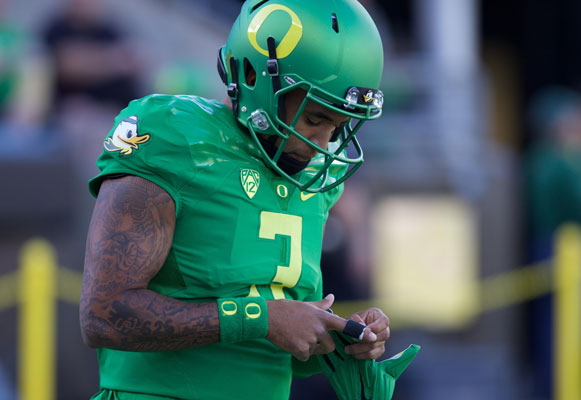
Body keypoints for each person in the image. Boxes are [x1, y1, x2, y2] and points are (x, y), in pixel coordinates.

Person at [80, 1, 390, 399]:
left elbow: (270, 344)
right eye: (314, 119)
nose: (324, 144)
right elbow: (104, 315)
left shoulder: (318, 175)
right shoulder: (176, 137)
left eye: (338, 125)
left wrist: (338, 338)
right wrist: (261, 318)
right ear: (255, 76)